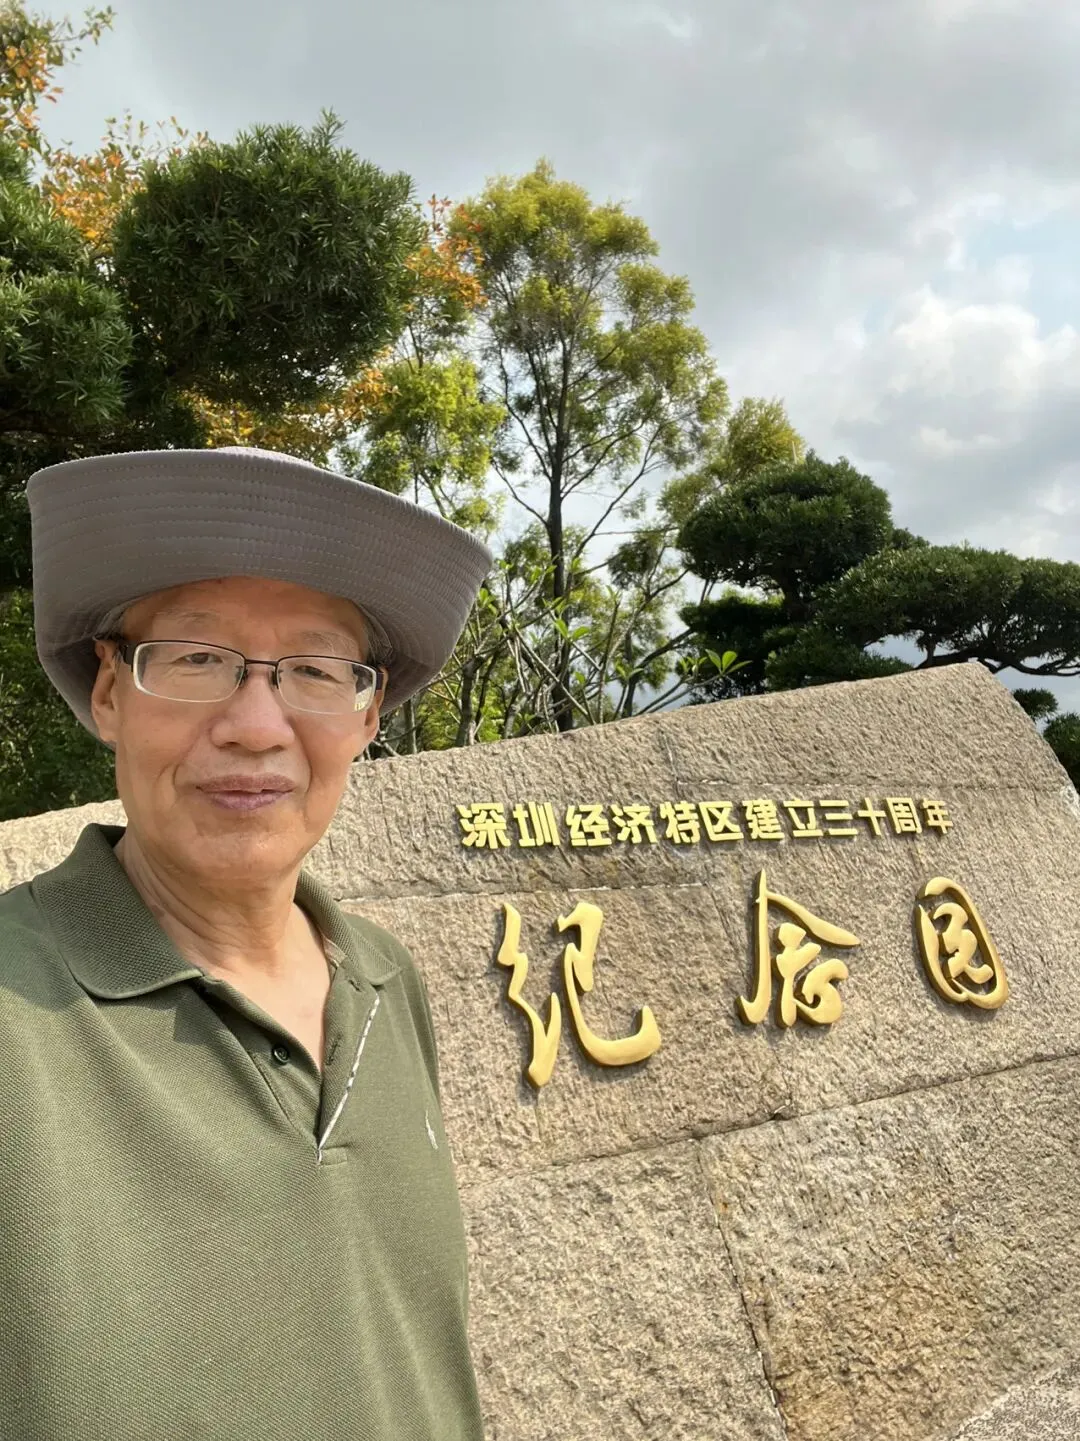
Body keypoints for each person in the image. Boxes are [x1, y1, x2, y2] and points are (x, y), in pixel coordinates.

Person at [0, 445, 492, 1441]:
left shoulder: (384, 980)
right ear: (109, 691)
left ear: (367, 713)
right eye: (196, 658)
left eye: (314, 669)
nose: (257, 726)